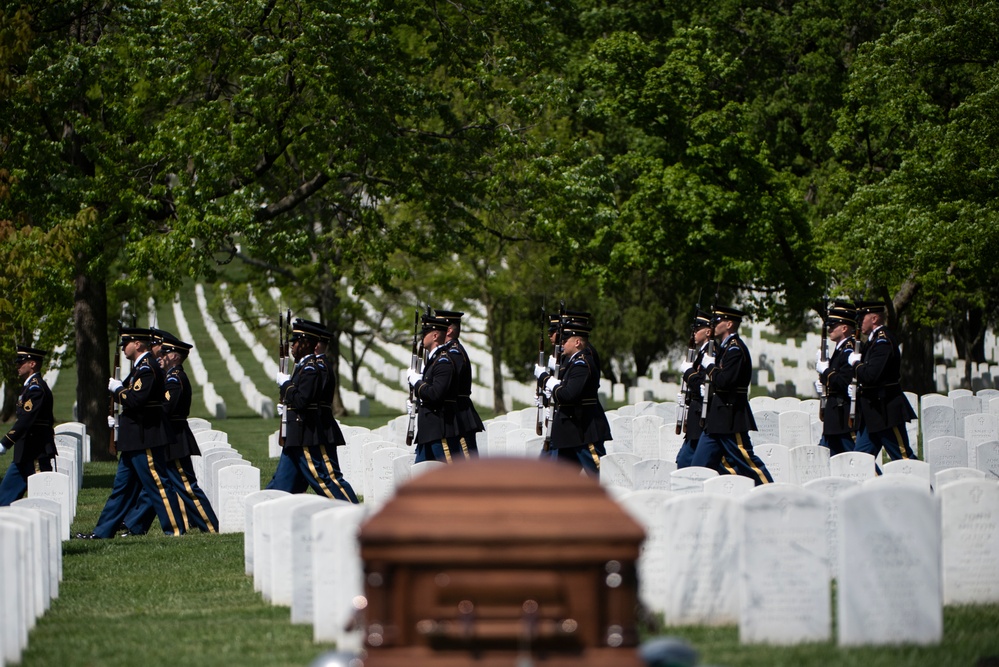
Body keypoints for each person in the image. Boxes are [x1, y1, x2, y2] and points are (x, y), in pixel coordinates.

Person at [77, 327, 186, 538]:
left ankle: (174, 530)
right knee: (122, 489)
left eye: (126, 343)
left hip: (146, 437)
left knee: (158, 485)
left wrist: (118, 390)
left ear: (137, 344)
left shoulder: (148, 368)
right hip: (134, 438)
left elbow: (135, 400)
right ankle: (101, 532)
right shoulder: (140, 369)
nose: (123, 348)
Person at [122, 330, 219, 535]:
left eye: (166, 354)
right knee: (156, 486)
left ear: (174, 356)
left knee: (186, 486)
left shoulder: (174, 380)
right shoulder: (168, 378)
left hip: (176, 440)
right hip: (168, 437)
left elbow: (166, 409)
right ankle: (134, 525)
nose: (161, 357)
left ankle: (211, 526)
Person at [267, 320, 357, 501]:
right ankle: (265, 517)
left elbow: (302, 401)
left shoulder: (312, 368)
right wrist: (287, 406)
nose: (292, 346)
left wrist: (285, 385)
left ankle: (355, 516)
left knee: (325, 479)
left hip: (307, 433)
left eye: (296, 342)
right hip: (297, 434)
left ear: (306, 343)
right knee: (282, 484)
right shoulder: (305, 367)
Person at [690, 306, 773, 485]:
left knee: (747, 463)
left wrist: (711, 367)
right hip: (716, 420)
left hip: (730, 417)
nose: (713, 325)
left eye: (717, 321)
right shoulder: (725, 349)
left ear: (729, 324)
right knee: (699, 466)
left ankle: (771, 492)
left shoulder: (735, 350)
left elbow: (724, 381)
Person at [847, 300, 918, 463]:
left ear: (874, 318)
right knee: (860, 462)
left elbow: (871, 375)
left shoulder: (883, 342)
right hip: (872, 413)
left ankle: (927, 489)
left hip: (886, 411)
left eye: (862, 317)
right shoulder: (872, 342)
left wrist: (855, 364)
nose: (859, 322)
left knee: (904, 458)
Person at [537, 321, 611, 477]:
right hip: (569, 432)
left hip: (584, 431)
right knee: (559, 480)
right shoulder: (573, 361)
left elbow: (568, 394)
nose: (561, 344)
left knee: (598, 476)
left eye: (565, 341)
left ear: (577, 342)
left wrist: (545, 379)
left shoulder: (581, 363)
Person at [0, 345, 56, 505]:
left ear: (32, 364)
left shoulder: (36, 388)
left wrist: (5, 442)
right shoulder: (29, 387)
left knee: (44, 501)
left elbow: (26, 420)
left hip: (34, 454)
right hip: (25, 453)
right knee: (4, 498)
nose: (17, 365)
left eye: (21, 362)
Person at [407, 315, 460, 463]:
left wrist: (416, 382)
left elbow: (435, 394)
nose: (422, 338)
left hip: (440, 430)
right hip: (428, 431)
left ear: (435, 335)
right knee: (421, 478)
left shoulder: (443, 362)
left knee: (453, 476)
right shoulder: (434, 361)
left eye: (425, 334)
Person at [434, 310, 483, 459]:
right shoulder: (447, 351)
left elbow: (447, 383)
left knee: (467, 465)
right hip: (455, 413)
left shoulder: (453, 352)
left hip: (460, 414)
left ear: (448, 330)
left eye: (439, 327)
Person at [814, 302, 858, 455]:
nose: (829, 329)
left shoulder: (848, 350)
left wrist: (825, 371)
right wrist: (823, 382)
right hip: (834, 418)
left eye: (833, 326)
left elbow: (841, 382)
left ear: (844, 328)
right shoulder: (840, 349)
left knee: (856, 460)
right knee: (825, 458)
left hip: (842, 416)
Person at [675, 310, 712, 468]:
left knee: (686, 461)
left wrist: (688, 372)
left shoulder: (710, 354)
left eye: (698, 330)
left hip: (701, 416)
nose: (694, 333)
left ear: (708, 331)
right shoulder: (700, 354)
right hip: (695, 414)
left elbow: (704, 389)